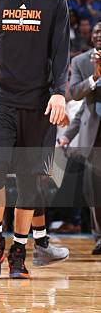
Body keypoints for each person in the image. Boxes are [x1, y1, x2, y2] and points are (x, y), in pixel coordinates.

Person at [0, 0, 70, 279]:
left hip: (39, 103)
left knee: (32, 182)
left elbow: (61, 51)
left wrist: (59, 92)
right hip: (1, 99)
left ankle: (20, 250)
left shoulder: (54, 2)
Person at [67, 22, 101, 254]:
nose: (99, 35)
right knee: (95, 192)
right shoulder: (80, 61)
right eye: (97, 32)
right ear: (91, 37)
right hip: (94, 136)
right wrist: (95, 77)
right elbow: (74, 93)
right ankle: (99, 237)